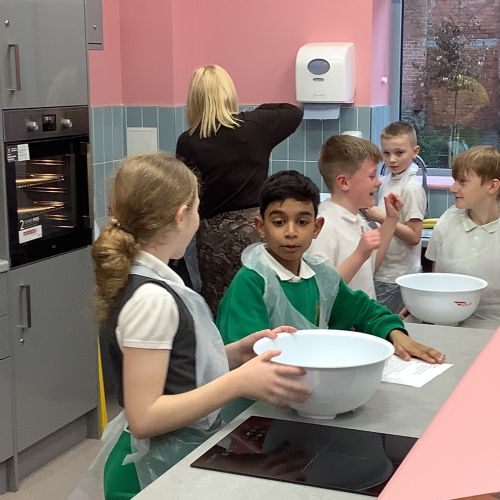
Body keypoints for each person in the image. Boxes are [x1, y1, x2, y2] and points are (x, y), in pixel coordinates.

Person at [86, 153, 311, 500]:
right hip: (146, 475)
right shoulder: (152, 299)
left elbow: (170, 368)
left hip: (168, 462)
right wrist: (238, 382)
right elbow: (145, 417)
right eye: (197, 209)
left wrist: (232, 356)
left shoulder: (147, 279)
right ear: (182, 215)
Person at [217, 169, 445, 365]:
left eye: (302, 222)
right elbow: (246, 358)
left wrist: (396, 334)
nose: (291, 232)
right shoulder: (252, 282)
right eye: (278, 222)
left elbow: (365, 311)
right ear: (260, 226)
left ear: (317, 227)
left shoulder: (319, 275)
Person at [176, 64, 303, 313]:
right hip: (255, 229)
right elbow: (293, 112)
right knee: (260, 298)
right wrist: (255, 113)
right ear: (229, 93)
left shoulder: (189, 141)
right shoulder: (255, 126)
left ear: (194, 99)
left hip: (213, 237)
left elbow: (187, 192)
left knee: (220, 303)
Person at [308, 135, 402, 299]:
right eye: (371, 176)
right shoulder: (324, 226)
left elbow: (370, 266)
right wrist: (359, 255)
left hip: (363, 313)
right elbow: (322, 290)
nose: (378, 182)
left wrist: (391, 220)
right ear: (344, 182)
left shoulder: (356, 219)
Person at [425, 145, 500, 329]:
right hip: (445, 321)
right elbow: (435, 277)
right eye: (454, 180)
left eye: (462, 182)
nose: (453, 188)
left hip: (492, 327)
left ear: (492, 186)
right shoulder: (447, 221)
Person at [363, 122, 427, 313]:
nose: (392, 160)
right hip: (384, 271)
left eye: (399, 153)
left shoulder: (411, 188)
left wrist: (381, 217)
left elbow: (414, 236)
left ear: (415, 152)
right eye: (386, 153)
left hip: (397, 277)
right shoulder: (388, 180)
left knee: (388, 325)